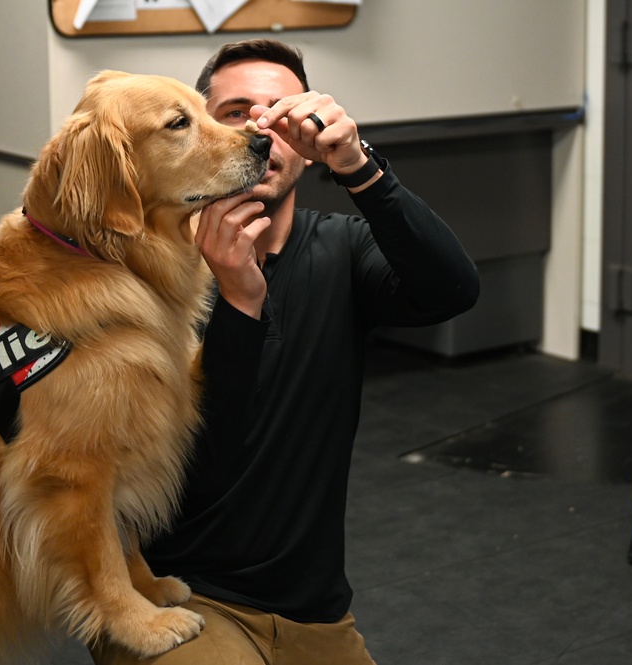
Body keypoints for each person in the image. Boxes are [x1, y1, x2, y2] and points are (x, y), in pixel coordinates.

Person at [91, 39, 479, 665]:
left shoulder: (340, 250)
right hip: (179, 598)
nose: (261, 130)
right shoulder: (147, 277)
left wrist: (361, 166)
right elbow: (204, 456)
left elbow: (453, 290)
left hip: (315, 613)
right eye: (237, 111)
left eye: (281, 111)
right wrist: (240, 303)